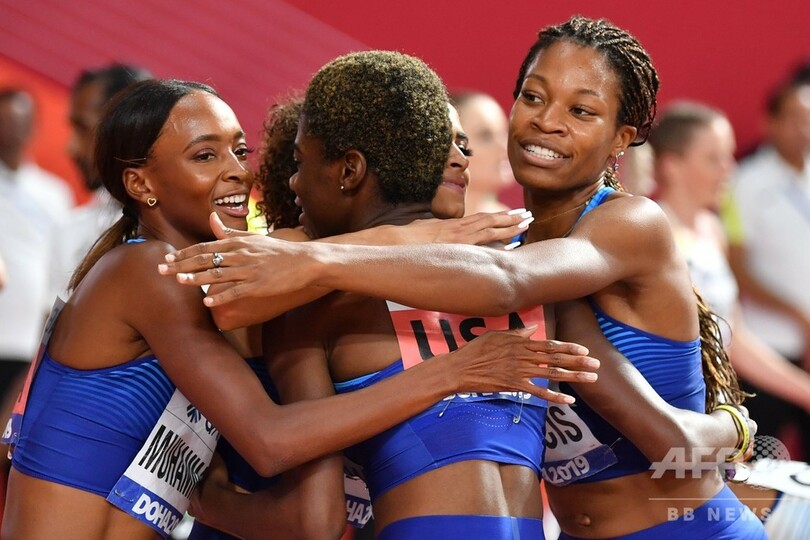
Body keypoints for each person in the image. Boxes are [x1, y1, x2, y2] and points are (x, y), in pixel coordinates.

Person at [160, 16, 768, 539]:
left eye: (581, 111)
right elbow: (254, 290)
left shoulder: (625, 225)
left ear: (621, 139)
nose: (548, 122)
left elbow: (511, 282)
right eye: (533, 97)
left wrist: (733, 427)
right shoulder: (498, 251)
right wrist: (316, 252)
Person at [1, 77, 599, 539]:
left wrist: (416, 237)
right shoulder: (148, 271)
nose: (237, 172)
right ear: (141, 184)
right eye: (205, 156)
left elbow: (300, 253)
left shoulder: (213, 280)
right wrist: (454, 371)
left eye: (240, 150)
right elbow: (270, 440)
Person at [189, 52, 566, 539]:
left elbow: (314, 518)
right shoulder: (522, 272)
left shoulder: (312, 300)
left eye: (300, 163)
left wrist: (206, 501)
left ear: (350, 170)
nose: (292, 180)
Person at [723, 77, 810, 463]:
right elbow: (738, 268)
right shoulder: (745, 182)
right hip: (765, 347)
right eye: (794, 118)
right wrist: (799, 315)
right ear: (770, 122)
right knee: (760, 462)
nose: (803, 129)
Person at [53, 63, 153, 293]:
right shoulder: (69, 231)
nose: (71, 148)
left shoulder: (184, 229)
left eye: (83, 129)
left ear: (127, 128)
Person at [451, 91, 516, 215]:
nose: (505, 147)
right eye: (485, 136)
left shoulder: (515, 222)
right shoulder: (419, 224)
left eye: (504, 132)